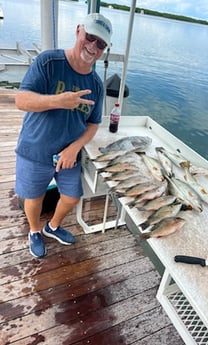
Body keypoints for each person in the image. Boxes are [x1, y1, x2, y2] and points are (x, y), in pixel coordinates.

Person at [15, 13, 113, 258]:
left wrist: (74, 148)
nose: (93, 46)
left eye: (100, 44)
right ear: (79, 31)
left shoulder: (97, 84)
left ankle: (53, 227)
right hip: (36, 148)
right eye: (90, 37)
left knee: (72, 197)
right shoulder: (49, 62)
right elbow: (21, 100)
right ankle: (35, 231)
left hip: (68, 154)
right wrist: (58, 100)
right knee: (34, 197)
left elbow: (93, 123)